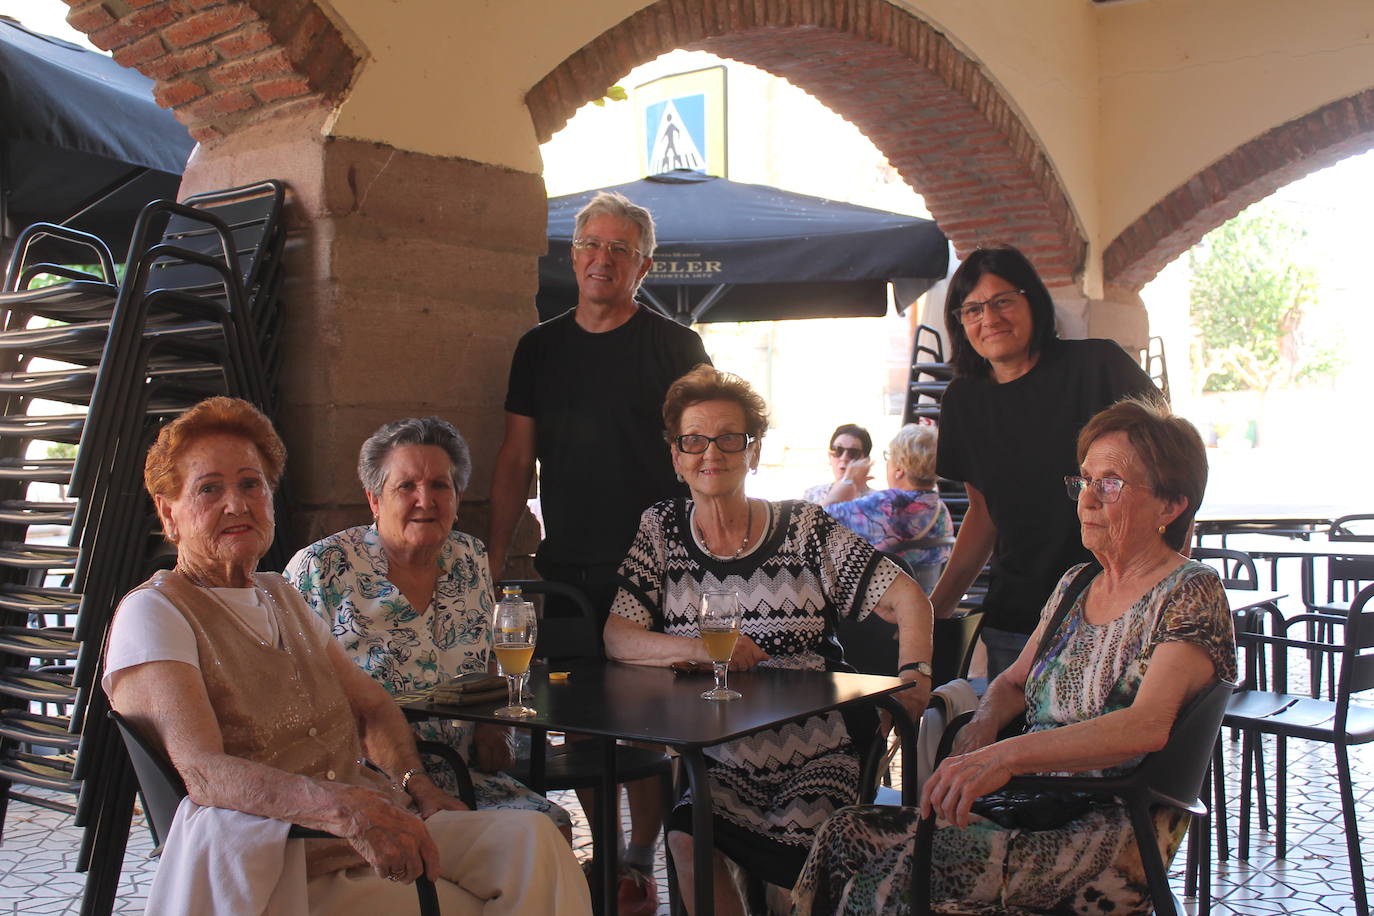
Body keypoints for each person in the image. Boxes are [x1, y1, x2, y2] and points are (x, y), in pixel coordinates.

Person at [103, 397, 589, 914]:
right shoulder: (156, 611)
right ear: (168, 511)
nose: (236, 504)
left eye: (251, 484)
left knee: (534, 841)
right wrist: (341, 810)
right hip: (284, 856)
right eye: (209, 488)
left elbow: (374, 707)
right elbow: (202, 771)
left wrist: (417, 787)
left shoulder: (278, 595)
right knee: (464, 902)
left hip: (376, 819)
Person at [792, 397, 1237, 915]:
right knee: (842, 832)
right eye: (1084, 480)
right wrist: (980, 730)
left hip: (1108, 832)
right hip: (1031, 806)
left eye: (1110, 483)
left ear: (1171, 505)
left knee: (883, 878)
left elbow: (1146, 726)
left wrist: (1003, 758)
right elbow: (1010, 684)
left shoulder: (1190, 591)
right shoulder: (1077, 583)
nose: (1087, 500)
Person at [604, 366, 933, 916]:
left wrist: (915, 678)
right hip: (720, 753)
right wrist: (701, 649)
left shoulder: (802, 528)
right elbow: (618, 636)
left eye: (730, 438)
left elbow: (907, 597)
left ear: (752, 453)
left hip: (823, 744)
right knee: (685, 841)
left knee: (791, 875)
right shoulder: (660, 529)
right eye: (694, 440)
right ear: (676, 457)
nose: (712, 453)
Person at [487, 189, 709, 912]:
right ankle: (609, 846)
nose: (602, 260)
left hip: (655, 572)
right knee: (579, 727)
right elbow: (516, 460)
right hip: (567, 570)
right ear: (571, 254)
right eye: (591, 245)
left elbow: (704, 451)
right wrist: (490, 564)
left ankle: (638, 858)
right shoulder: (540, 347)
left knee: (645, 729)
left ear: (643, 265)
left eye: (620, 249)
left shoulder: (675, 346)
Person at [284, 416, 571, 839]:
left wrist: (494, 724)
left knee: (549, 825)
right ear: (374, 500)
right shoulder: (323, 569)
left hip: (461, 773)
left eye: (440, 486)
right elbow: (291, 693)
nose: (426, 500)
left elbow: (487, 657)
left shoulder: (468, 557)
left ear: (457, 498)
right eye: (406, 487)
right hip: (365, 782)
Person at [928, 244, 1157, 679]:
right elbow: (983, 514)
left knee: (1109, 745)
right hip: (1017, 617)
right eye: (972, 309)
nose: (989, 319)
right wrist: (935, 609)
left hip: (1117, 610)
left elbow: (1176, 471)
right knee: (1014, 738)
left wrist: (1163, 585)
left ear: (1032, 299)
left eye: (1002, 302)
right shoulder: (963, 401)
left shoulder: (1098, 366)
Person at [824, 423, 953, 592]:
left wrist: (849, 480)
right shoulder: (940, 509)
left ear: (899, 469)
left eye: (889, 457)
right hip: (923, 605)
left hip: (881, 610)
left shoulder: (887, 505)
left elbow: (822, 517)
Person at [802, 423, 874, 506]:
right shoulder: (811, 495)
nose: (844, 458)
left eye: (853, 453)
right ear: (830, 456)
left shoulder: (877, 501)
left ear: (866, 461)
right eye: (838, 450)